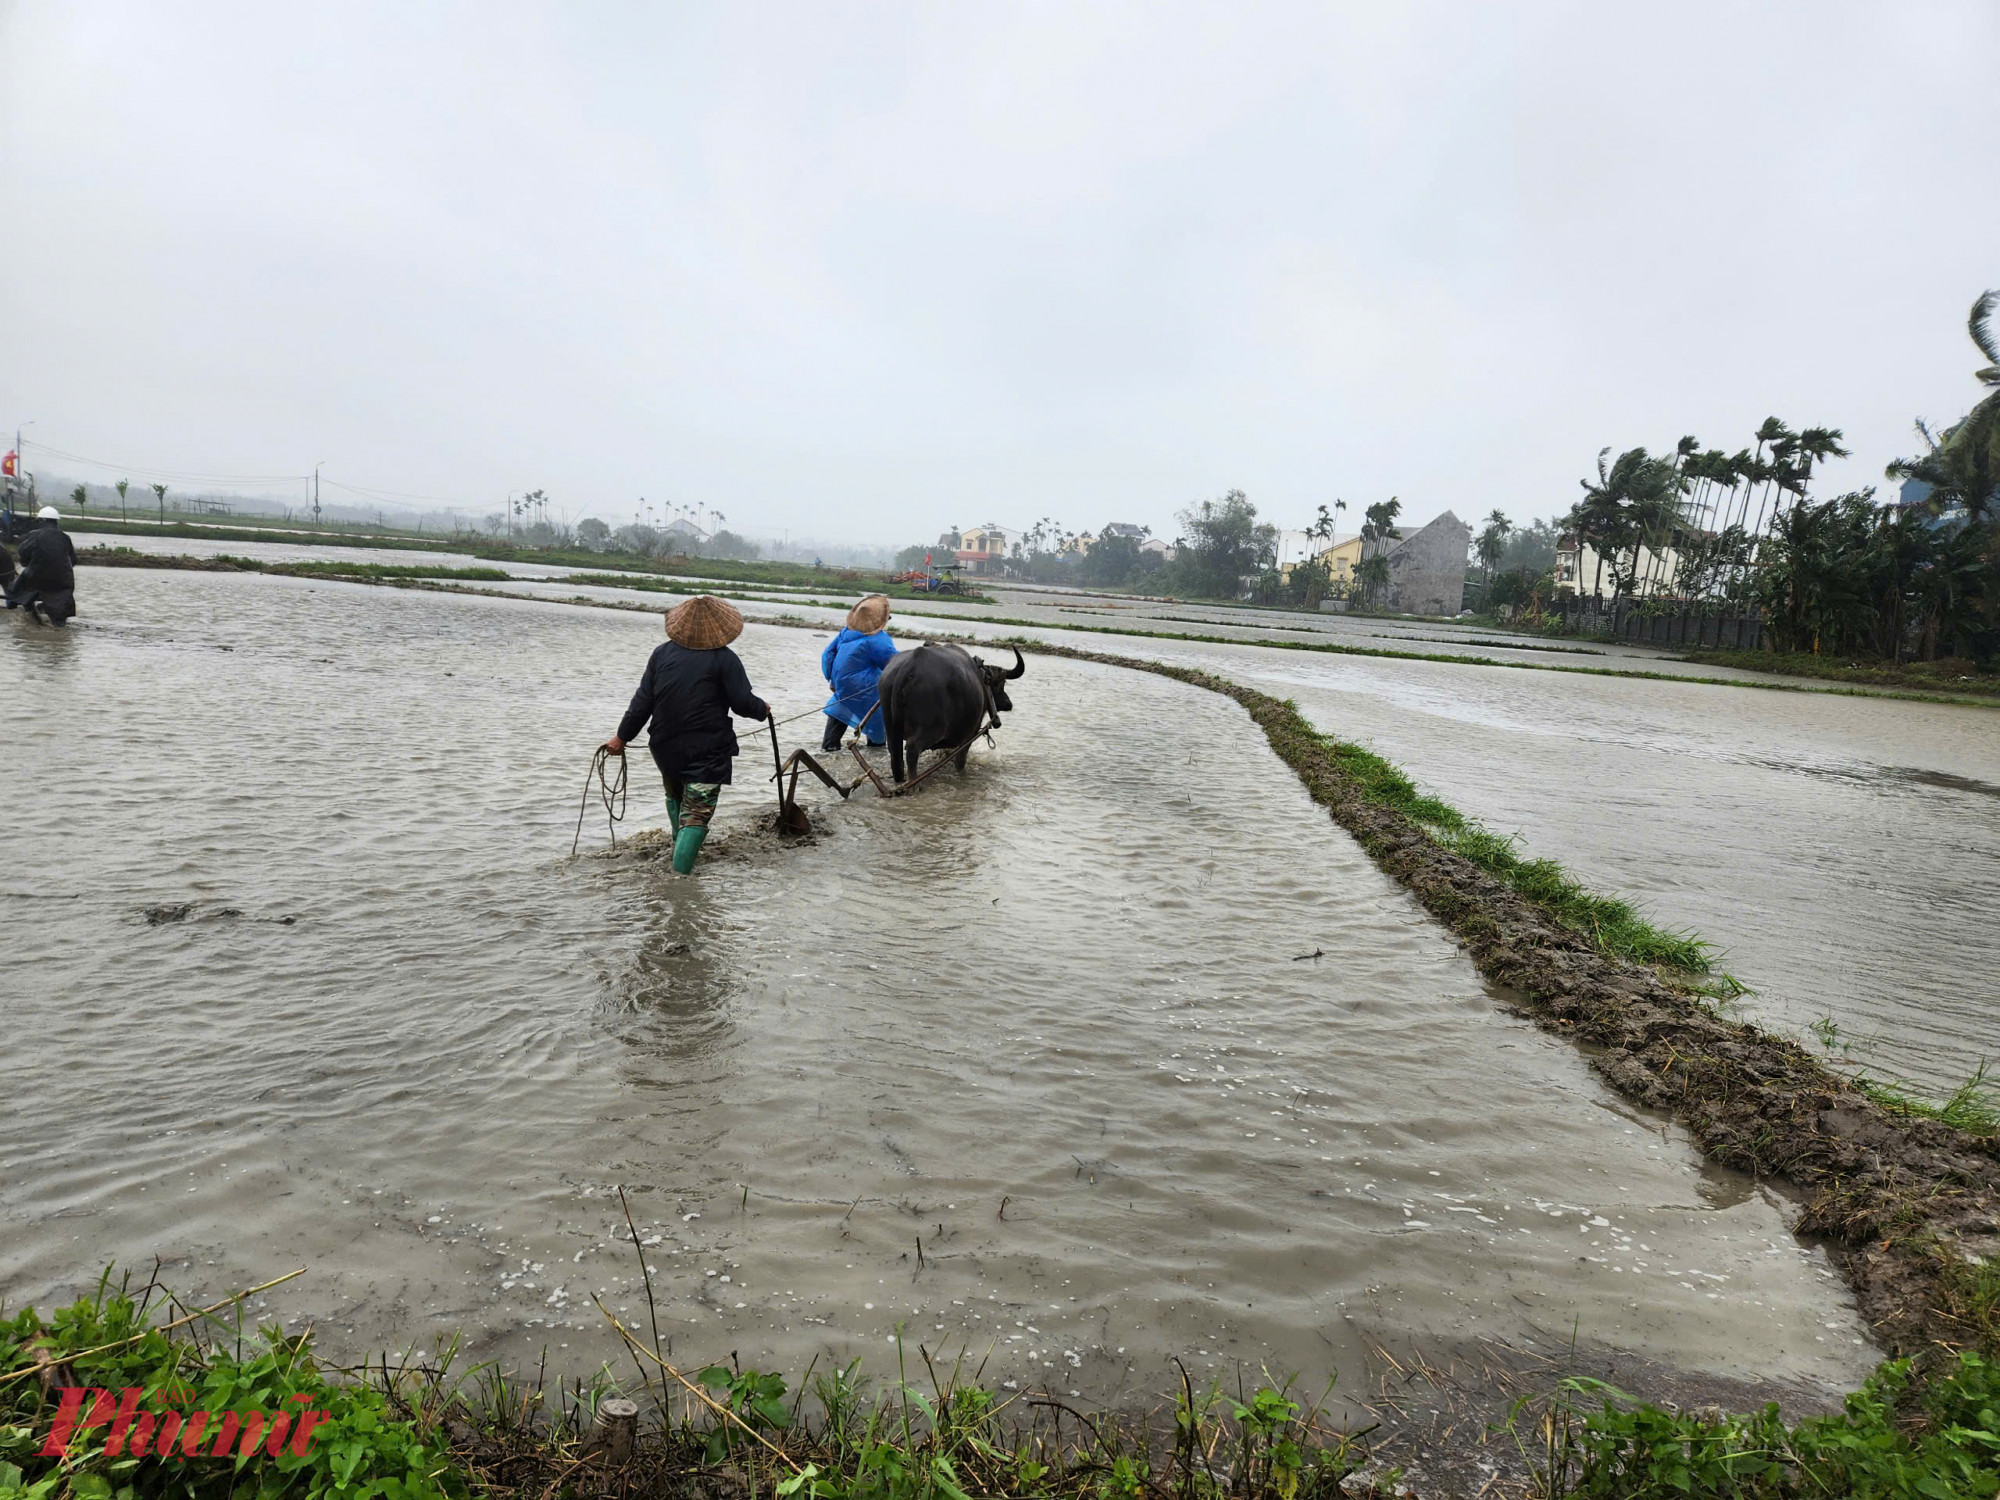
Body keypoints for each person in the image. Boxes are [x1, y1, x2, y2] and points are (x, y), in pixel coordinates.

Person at [604, 595, 769, 875]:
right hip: (707, 750)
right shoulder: (724, 659)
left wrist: (621, 737)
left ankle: (678, 853)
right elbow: (742, 702)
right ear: (720, 628)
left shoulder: (662, 653)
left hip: (664, 747)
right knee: (697, 813)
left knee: (677, 797)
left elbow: (642, 701)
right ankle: (678, 881)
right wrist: (762, 709)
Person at [819, 594, 898, 751]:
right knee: (876, 722)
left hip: (842, 687)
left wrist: (832, 680)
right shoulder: (878, 639)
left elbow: (828, 655)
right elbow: (893, 664)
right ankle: (876, 750)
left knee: (838, 712)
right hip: (866, 690)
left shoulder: (845, 633)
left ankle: (829, 747)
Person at [6, 507, 77, 626]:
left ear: (41, 521)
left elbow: (23, 553)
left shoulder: (34, 535)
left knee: (17, 590)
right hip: (63, 582)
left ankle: (29, 615)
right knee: (60, 610)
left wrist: (27, 563)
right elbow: (73, 560)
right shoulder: (65, 537)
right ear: (56, 522)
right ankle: (59, 626)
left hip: (37, 579)